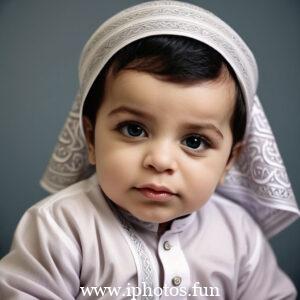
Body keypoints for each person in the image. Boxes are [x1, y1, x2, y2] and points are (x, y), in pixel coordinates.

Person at [0, 1, 299, 299]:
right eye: (134, 129)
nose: (160, 161)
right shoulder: (60, 227)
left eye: (194, 141)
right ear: (90, 139)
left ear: (229, 161)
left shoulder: (239, 236)